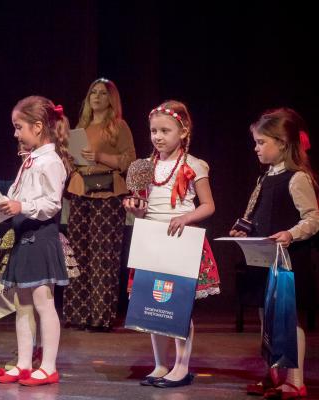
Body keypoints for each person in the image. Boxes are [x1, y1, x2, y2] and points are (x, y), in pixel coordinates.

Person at [123, 100, 220, 388]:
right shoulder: (145, 165)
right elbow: (142, 203)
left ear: (183, 131)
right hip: (152, 242)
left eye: (165, 130)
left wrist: (186, 217)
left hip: (179, 243)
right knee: (152, 306)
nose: (158, 136)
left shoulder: (193, 165)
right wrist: (136, 209)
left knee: (177, 308)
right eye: (154, 130)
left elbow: (209, 206)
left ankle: (181, 366)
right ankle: (160, 364)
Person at [230, 108, 319, 399]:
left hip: (289, 259)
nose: (256, 148)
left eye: (261, 142)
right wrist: (244, 229)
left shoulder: (296, 177)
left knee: (289, 318)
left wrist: (290, 234)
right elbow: (253, 214)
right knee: (266, 315)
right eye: (255, 142)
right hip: (263, 259)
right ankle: (272, 375)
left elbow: (313, 218)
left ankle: (295, 381)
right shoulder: (264, 178)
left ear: (282, 143)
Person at [0, 95, 71, 386]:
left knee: (42, 302)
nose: (15, 134)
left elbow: (52, 203)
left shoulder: (50, 162)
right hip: (24, 236)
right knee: (22, 303)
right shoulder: (29, 161)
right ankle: (24, 362)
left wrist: (21, 207)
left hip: (40, 237)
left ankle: (48, 365)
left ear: (38, 127)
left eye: (18, 127)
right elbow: (17, 195)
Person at [63, 78, 136, 331]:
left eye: (103, 93)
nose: (96, 97)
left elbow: (130, 160)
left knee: (103, 255)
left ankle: (100, 316)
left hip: (107, 192)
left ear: (111, 99)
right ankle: (78, 314)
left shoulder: (118, 126)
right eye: (93, 92)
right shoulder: (80, 126)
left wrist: (101, 157)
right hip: (80, 190)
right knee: (78, 253)